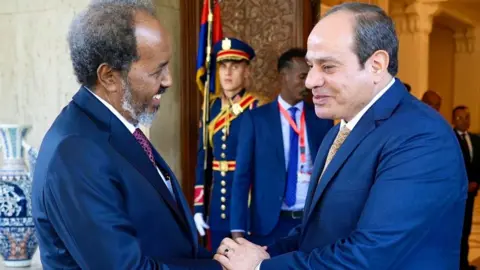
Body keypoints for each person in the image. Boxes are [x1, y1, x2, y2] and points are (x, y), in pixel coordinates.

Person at [213, 3, 467, 269]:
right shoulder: (339, 130)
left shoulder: (421, 138)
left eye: (328, 67)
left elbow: (367, 256)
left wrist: (260, 267)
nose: (311, 81)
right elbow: (318, 232)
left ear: (377, 65)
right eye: (311, 66)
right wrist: (265, 253)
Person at [31, 2, 220, 269]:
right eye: (157, 71)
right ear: (109, 76)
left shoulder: (115, 129)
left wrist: (223, 259)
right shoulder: (75, 153)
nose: (169, 81)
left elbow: (167, 245)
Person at [230, 48, 333, 246]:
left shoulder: (322, 118)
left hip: (310, 223)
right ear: (284, 76)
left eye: (309, 76)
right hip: (270, 224)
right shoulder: (256, 120)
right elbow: (242, 177)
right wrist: (238, 231)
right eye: (302, 76)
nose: (308, 83)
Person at [193, 37, 265, 251]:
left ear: (247, 72)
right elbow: (202, 159)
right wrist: (199, 206)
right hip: (216, 207)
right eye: (223, 66)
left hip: (247, 205)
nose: (228, 72)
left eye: (235, 66)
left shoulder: (256, 107)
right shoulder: (210, 108)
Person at [453, 105, 480, 270]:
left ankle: (463, 264)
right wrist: (464, 184)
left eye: (467, 117)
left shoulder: (476, 139)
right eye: (460, 118)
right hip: (456, 195)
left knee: (466, 230)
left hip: (472, 194)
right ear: (453, 120)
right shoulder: (450, 138)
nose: (464, 121)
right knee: (454, 231)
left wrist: (476, 181)